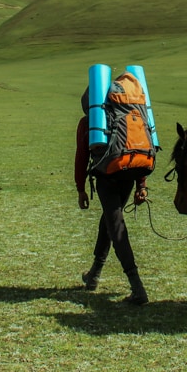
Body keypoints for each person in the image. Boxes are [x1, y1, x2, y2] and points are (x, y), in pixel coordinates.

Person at [75, 91, 149, 305]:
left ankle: (137, 288)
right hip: (129, 172)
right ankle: (94, 275)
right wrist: (141, 184)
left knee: (115, 225)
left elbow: (82, 157)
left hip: (107, 175)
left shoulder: (89, 122)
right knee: (110, 219)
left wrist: (81, 189)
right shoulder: (127, 115)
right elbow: (138, 145)